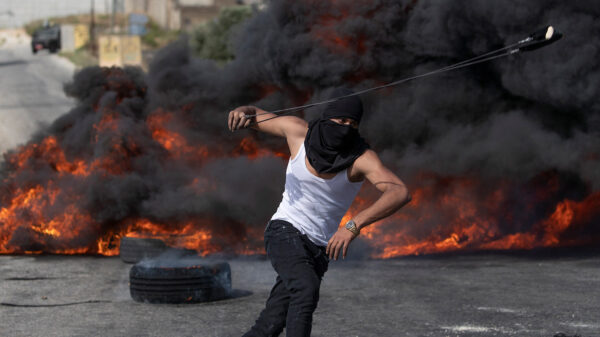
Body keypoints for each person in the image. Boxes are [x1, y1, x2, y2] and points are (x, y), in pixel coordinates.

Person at [228, 88, 411, 337]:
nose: (346, 127)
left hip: (318, 249)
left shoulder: (360, 158)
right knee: (305, 290)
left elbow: (399, 192)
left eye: (352, 123)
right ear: (327, 118)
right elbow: (256, 115)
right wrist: (242, 112)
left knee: (272, 321)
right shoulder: (298, 132)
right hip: (284, 230)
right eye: (341, 120)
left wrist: (352, 226)